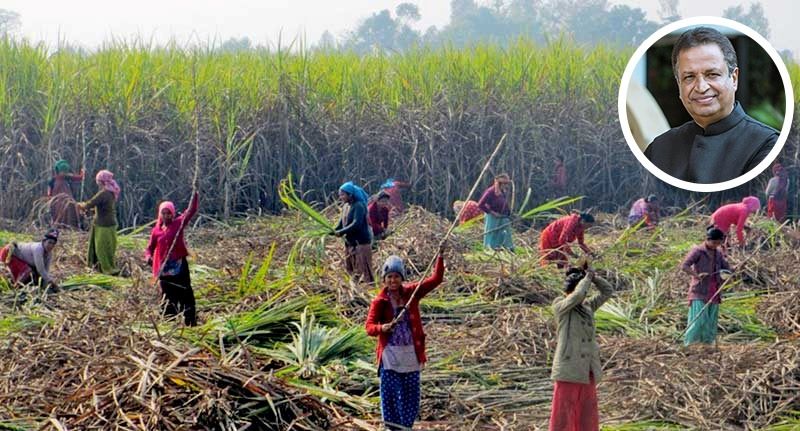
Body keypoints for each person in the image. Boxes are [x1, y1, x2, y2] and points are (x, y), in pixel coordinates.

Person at [644, 27, 779, 183]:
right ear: (679, 84)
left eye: (712, 74)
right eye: (689, 77)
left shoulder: (767, 146)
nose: (701, 87)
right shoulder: (660, 149)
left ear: (734, 78)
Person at [365, 251, 445, 431]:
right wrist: (382, 328)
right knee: (391, 397)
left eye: (396, 276)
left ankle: (405, 428)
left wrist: (440, 256)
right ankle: (392, 428)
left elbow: (436, 279)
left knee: (411, 397)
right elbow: (369, 327)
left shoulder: (412, 293)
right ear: (384, 279)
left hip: (410, 355)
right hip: (390, 357)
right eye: (389, 277)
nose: (393, 281)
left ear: (402, 278)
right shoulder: (380, 301)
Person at [548, 266, 614, 431]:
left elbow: (607, 291)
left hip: (586, 368)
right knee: (564, 411)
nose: (585, 295)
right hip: (569, 367)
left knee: (586, 409)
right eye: (584, 290)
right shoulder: (560, 306)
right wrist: (586, 280)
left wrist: (593, 277)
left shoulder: (587, 307)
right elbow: (576, 296)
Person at [145, 191, 199, 326]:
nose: (166, 216)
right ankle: (169, 323)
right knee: (168, 296)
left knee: (185, 292)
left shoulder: (178, 223)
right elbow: (150, 248)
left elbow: (191, 210)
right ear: (160, 214)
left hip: (179, 267)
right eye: (163, 213)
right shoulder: (156, 230)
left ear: (173, 213)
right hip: (164, 270)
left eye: (168, 213)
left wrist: (195, 193)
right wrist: (148, 257)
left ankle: (190, 322)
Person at [680, 227, 731, 346]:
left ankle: (707, 345)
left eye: (718, 243)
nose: (716, 245)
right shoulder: (698, 251)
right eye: (714, 243)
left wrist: (730, 271)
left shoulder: (718, 253)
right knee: (698, 320)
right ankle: (690, 345)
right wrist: (697, 275)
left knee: (711, 320)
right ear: (707, 239)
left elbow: (726, 267)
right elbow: (685, 266)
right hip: (700, 290)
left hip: (714, 290)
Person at [77, 170, 120, 275]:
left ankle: (106, 269)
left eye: (98, 182)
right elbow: (103, 207)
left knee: (101, 248)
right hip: (111, 224)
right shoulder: (111, 192)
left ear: (101, 182)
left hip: (103, 225)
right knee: (109, 247)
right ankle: (104, 266)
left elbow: (89, 204)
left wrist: (79, 205)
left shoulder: (103, 193)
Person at [335, 181, 374, 284]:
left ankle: (365, 291)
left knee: (362, 271)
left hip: (360, 243)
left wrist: (341, 232)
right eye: (340, 195)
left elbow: (356, 224)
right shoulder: (345, 207)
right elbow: (341, 223)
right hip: (350, 244)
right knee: (351, 270)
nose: (341, 197)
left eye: (343, 194)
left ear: (350, 194)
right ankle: (355, 289)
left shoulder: (359, 206)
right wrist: (333, 230)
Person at [477, 174, 513, 250]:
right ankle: (490, 249)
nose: (506, 186)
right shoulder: (490, 192)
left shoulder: (503, 192)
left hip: (503, 217)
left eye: (507, 184)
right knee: (492, 234)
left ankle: (508, 249)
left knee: (505, 233)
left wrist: (509, 213)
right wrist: (492, 212)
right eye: (504, 183)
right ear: (499, 183)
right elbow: (480, 204)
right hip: (493, 217)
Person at [47, 160, 84, 228]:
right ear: (58, 171)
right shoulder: (52, 180)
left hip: (68, 199)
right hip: (57, 201)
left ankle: (71, 227)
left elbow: (79, 178)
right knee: (58, 214)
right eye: (62, 172)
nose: (64, 173)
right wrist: (50, 199)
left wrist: (82, 171)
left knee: (71, 210)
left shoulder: (67, 177)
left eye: (65, 172)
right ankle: (58, 227)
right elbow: (49, 192)